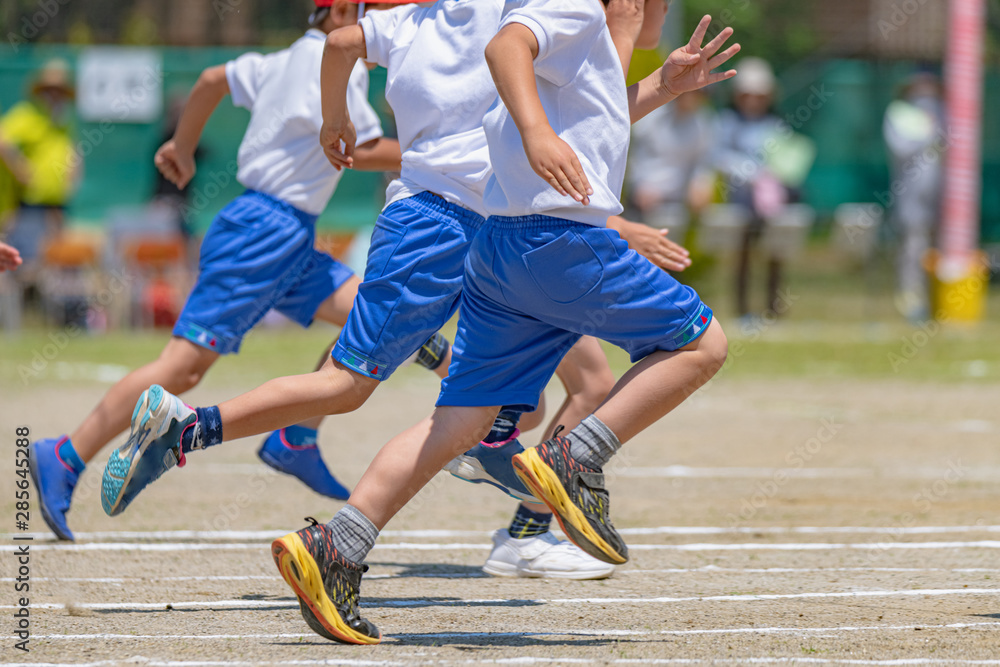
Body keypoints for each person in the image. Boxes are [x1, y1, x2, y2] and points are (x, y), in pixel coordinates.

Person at [99, 0, 693, 583]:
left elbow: (340, 46)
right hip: (444, 225)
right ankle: (185, 427)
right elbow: (567, 111)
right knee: (347, 385)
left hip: (479, 228)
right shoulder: (505, 18)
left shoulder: (412, 20)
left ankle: (490, 489)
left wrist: (337, 119)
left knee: (532, 396)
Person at [261, 0, 733, 643]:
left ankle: (336, 547)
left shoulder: (577, 22)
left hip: (500, 249)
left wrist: (660, 86)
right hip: (560, 242)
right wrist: (541, 131)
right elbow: (505, 49)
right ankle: (576, 455)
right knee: (702, 344)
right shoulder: (571, 7)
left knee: (461, 421)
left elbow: (590, 115)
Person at [27, 0, 431, 542]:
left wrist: (183, 145)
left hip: (277, 232)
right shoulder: (337, 69)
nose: (386, 30)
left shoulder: (282, 59)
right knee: (183, 368)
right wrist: (441, 156)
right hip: (263, 233)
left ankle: (295, 438)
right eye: (377, 15)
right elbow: (364, 147)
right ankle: (65, 454)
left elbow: (213, 78)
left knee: (366, 312)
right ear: (338, 14)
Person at [713, 57, 790, 319]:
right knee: (742, 255)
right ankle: (742, 309)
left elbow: (785, 157)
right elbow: (718, 155)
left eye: (759, 95)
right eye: (747, 95)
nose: (753, 101)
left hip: (771, 204)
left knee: (776, 253)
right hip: (741, 201)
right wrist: (749, 173)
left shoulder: (776, 124)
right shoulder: (727, 122)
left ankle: (773, 308)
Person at [0, 59, 79, 276]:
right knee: (28, 259)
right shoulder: (27, 114)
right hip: (31, 203)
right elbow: (2, 139)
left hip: (57, 203)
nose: (55, 95)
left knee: (57, 259)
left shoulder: (61, 119)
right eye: (51, 90)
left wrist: (75, 166)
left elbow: (69, 147)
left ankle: (51, 306)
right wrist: (19, 168)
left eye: (59, 90)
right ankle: (26, 302)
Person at [883, 72, 944, 323]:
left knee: (940, 247)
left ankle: (939, 299)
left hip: (942, 196)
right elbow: (900, 149)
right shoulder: (899, 116)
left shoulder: (942, 114)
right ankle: (911, 299)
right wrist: (925, 135)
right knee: (913, 247)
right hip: (911, 195)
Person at [627, 88, 715, 231]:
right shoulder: (651, 117)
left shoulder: (703, 125)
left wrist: (701, 184)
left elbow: (702, 162)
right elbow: (635, 158)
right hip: (643, 199)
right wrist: (639, 185)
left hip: (676, 201)